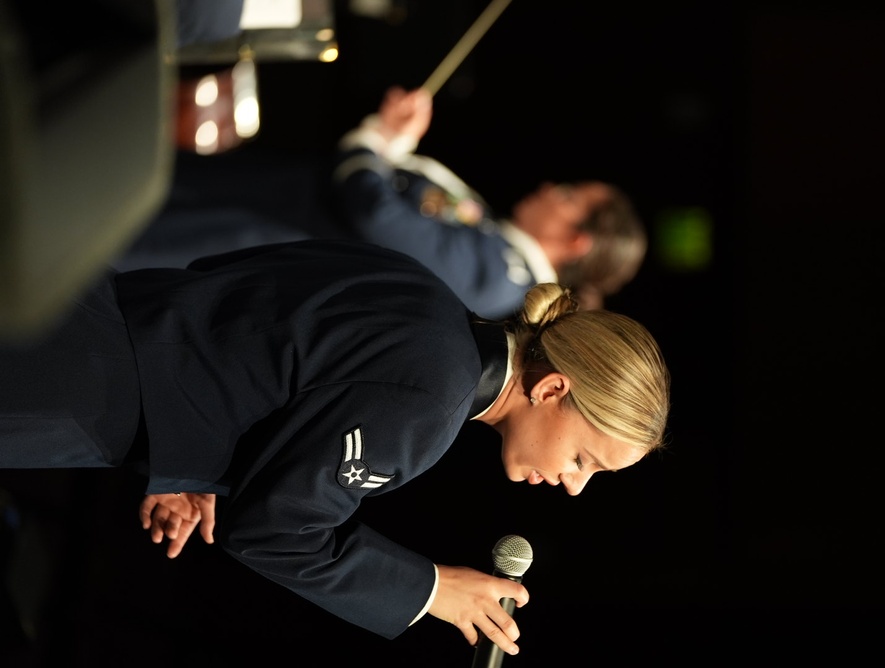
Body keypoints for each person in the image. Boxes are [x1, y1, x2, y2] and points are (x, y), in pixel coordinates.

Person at [1, 238, 670, 655]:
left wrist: (195, 460)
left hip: (73, 295)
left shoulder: (426, 297)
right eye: (586, 460)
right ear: (554, 389)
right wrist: (433, 590)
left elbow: (236, 309)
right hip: (69, 391)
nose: (575, 484)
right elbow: (274, 531)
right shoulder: (430, 404)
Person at [331, 86, 649, 318]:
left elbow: (377, 215)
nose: (550, 188)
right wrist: (398, 137)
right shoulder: (499, 243)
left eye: (568, 196)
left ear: (576, 242)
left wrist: (371, 141)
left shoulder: (498, 279)